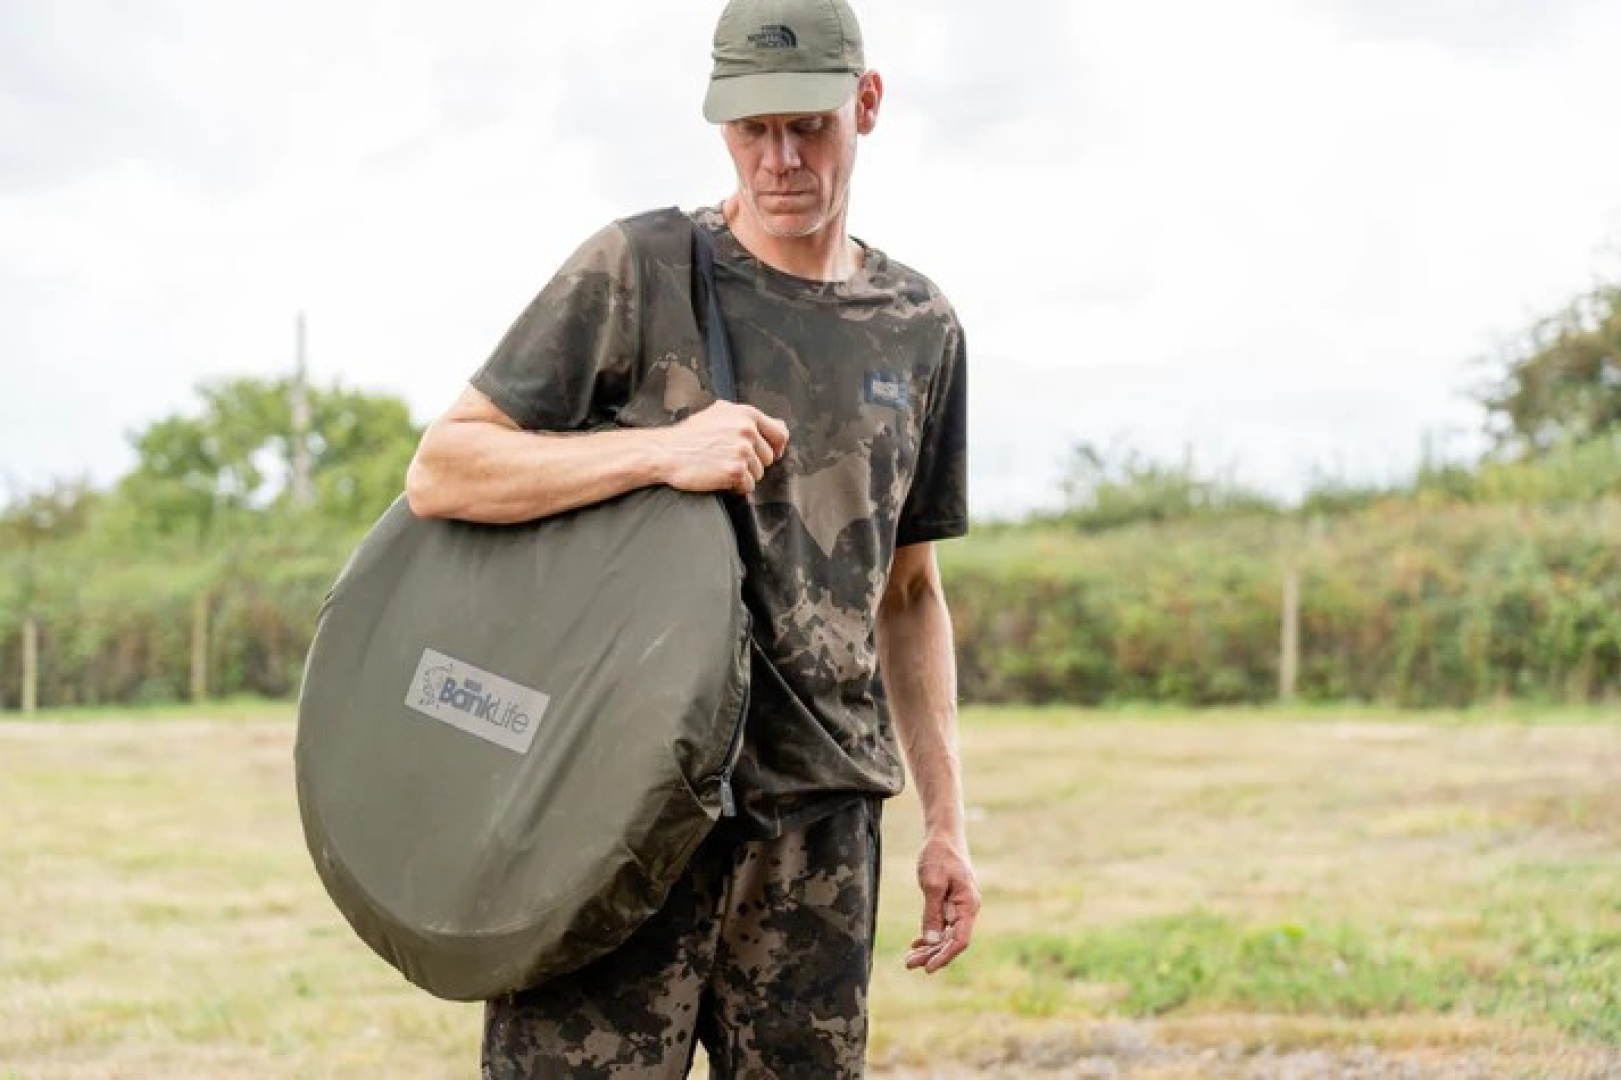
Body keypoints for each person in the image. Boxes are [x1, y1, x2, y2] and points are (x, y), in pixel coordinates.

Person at [405, 0, 978, 1074]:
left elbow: (908, 595)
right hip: (619, 811)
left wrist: (947, 824)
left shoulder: (920, 325)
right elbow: (446, 469)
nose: (778, 159)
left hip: (819, 826)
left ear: (867, 103)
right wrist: (656, 452)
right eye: (750, 130)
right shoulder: (637, 271)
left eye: (807, 125)